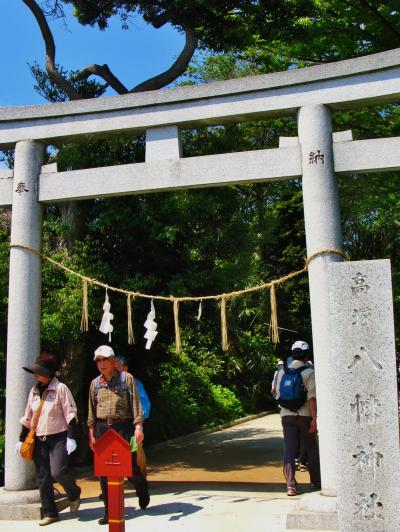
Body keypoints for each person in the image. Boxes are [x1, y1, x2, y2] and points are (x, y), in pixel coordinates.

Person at [16, 352, 81, 526]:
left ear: (49, 373)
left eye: (39, 372)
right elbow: (28, 417)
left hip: (59, 437)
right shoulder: (34, 391)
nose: (36, 375)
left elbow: (71, 415)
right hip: (39, 439)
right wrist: (22, 439)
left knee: (58, 471)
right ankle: (50, 512)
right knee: (43, 477)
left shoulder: (61, 389)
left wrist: (71, 437)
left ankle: (74, 493)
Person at [88, 345, 150, 525]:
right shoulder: (95, 383)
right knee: (103, 471)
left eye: (104, 359)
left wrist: (139, 428)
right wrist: (91, 433)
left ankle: (141, 486)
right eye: (98, 360)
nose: (101, 364)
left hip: (125, 428)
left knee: (130, 467)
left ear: (113, 361)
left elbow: (136, 405)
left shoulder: (126, 379)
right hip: (102, 429)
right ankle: (110, 511)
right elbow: (91, 411)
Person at [275, 340, 321, 496]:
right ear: (307, 354)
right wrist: (315, 419)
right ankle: (315, 482)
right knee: (311, 448)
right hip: (305, 416)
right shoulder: (309, 372)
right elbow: (312, 397)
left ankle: (291, 486)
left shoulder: (282, 372)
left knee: (289, 449)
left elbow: (278, 395)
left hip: (286, 416)